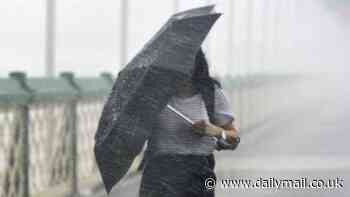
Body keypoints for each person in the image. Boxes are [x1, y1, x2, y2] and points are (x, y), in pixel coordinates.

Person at [139, 48, 239, 197]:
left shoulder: (211, 94)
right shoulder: (155, 95)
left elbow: (234, 139)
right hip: (159, 176)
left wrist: (214, 131)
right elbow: (136, 132)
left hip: (197, 175)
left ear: (197, 64)